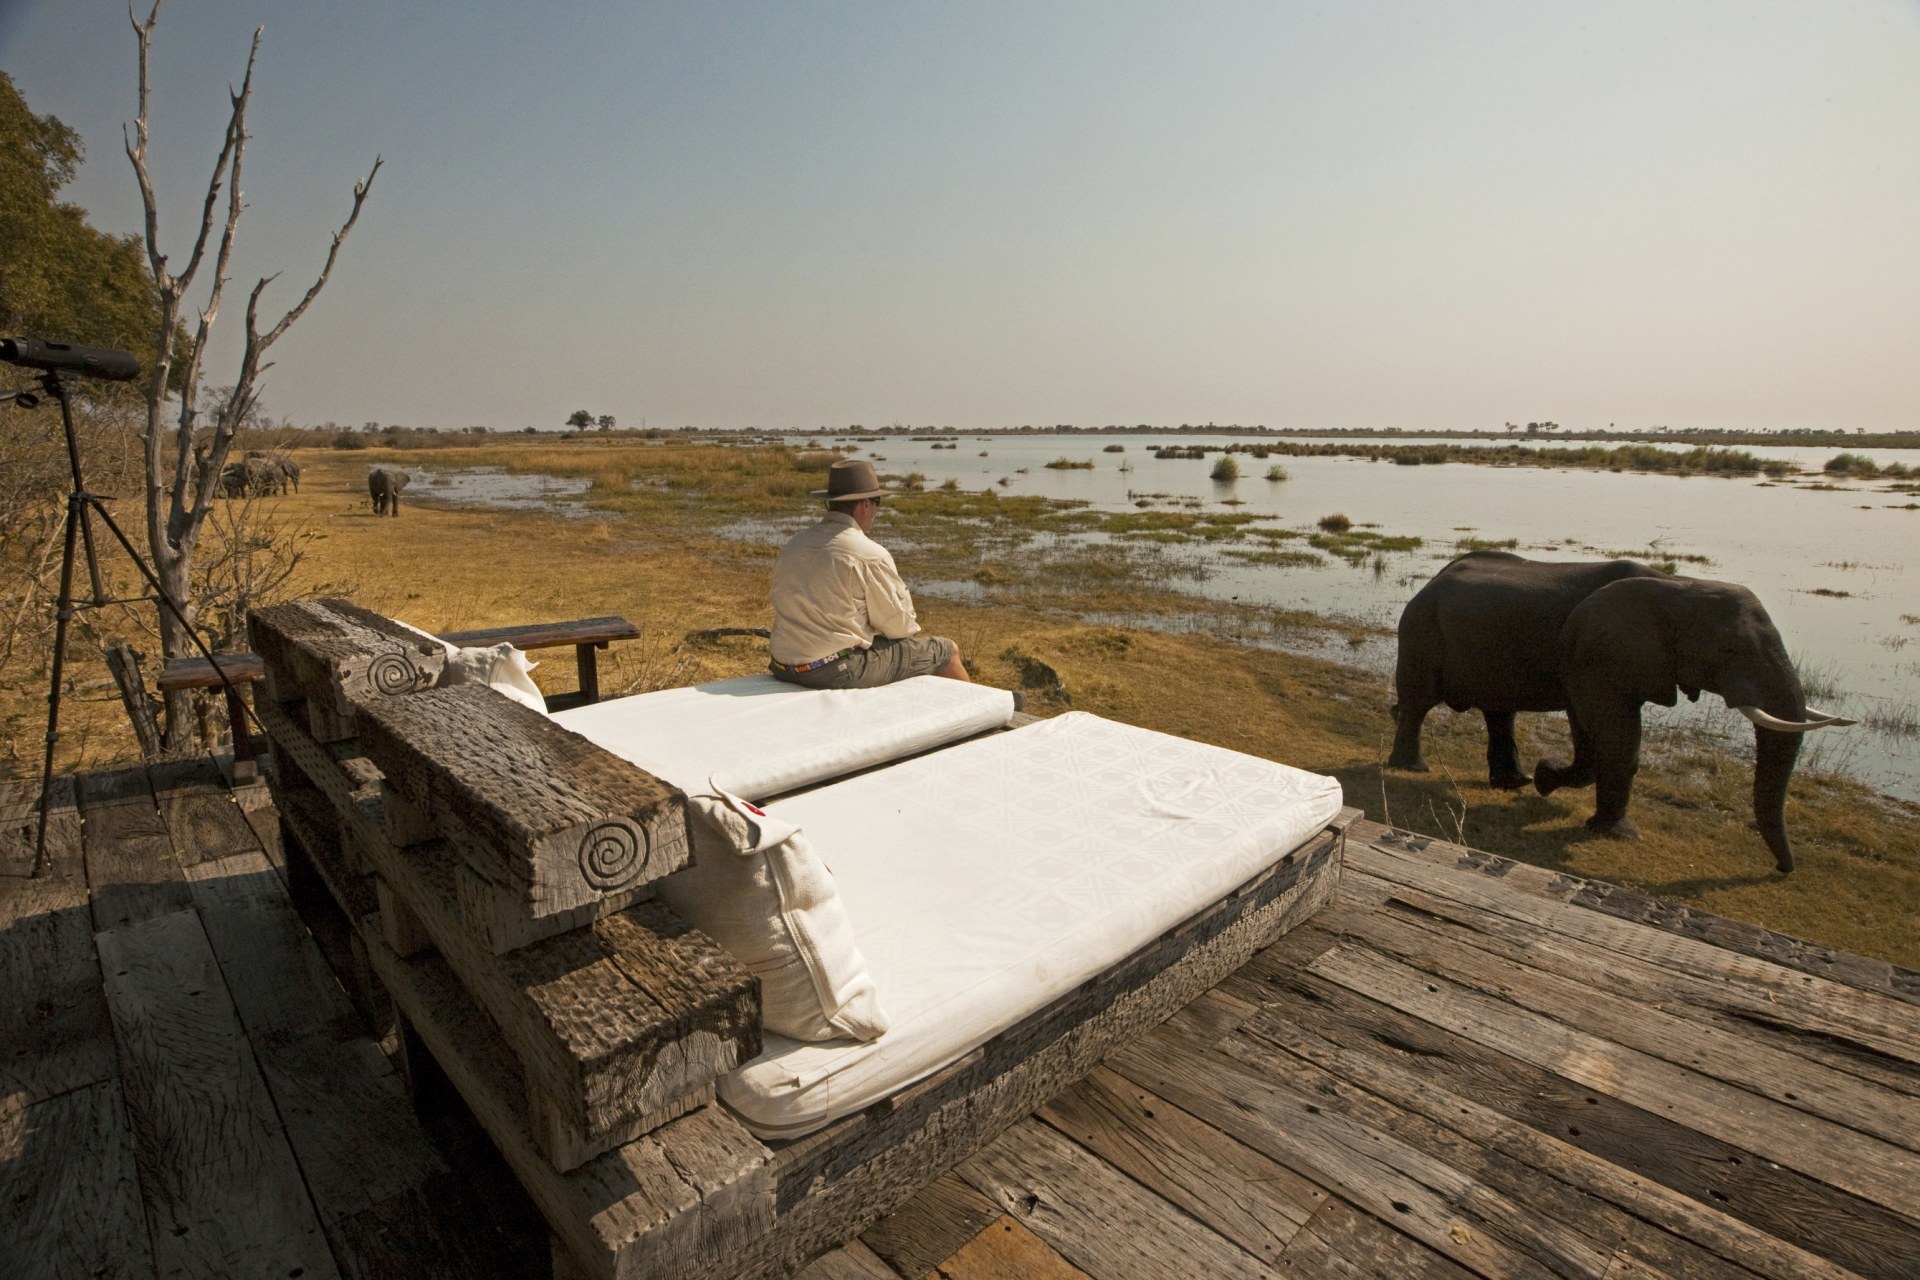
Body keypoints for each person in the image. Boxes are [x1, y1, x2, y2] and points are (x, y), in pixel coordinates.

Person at [768, 458, 969, 689]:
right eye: (877, 502)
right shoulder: (869, 554)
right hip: (834, 671)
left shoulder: (795, 543)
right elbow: (901, 628)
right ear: (865, 504)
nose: (876, 509)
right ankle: (987, 708)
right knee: (946, 651)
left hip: (782, 666)